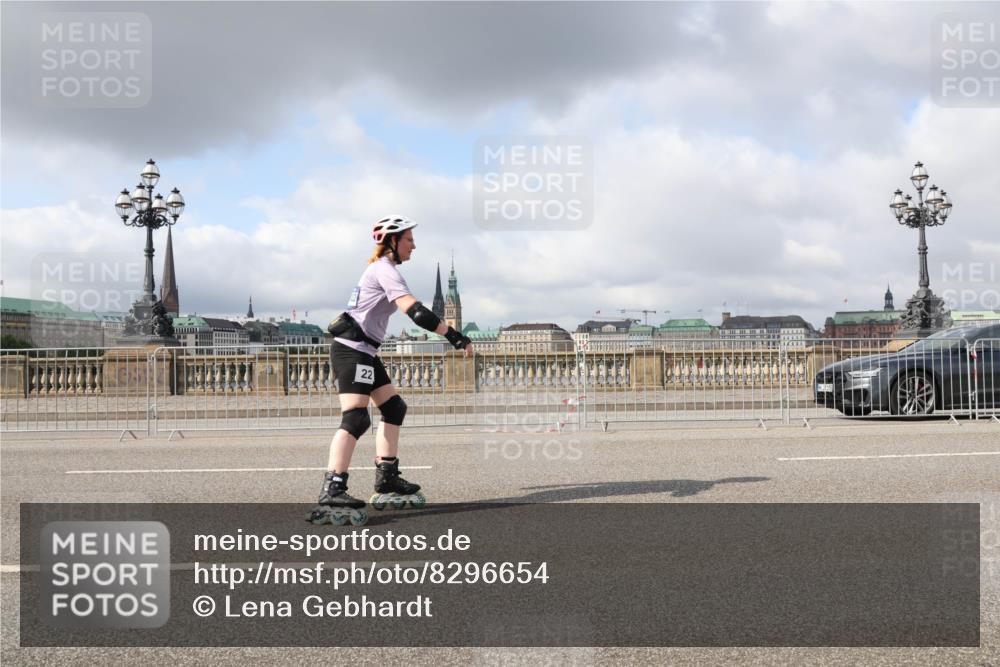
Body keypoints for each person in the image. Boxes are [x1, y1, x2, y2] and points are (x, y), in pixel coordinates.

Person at [308, 216, 474, 525]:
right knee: (356, 418)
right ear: (393, 242)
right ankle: (332, 488)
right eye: (409, 239)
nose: (414, 245)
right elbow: (417, 312)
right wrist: (454, 336)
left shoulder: (386, 270)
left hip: (364, 351)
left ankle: (387, 477)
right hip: (351, 350)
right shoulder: (383, 269)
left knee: (394, 407)